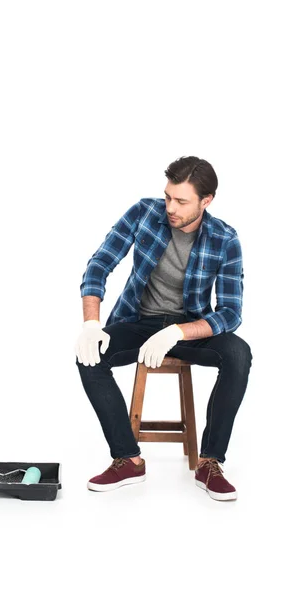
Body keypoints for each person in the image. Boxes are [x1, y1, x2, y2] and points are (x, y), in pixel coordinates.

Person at [75, 156, 253, 501]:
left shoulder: (224, 238)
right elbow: (99, 264)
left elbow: (231, 313)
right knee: (88, 357)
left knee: (238, 353)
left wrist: (178, 332)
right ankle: (127, 459)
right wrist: (92, 323)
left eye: (181, 201)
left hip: (188, 330)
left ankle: (210, 462)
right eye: (168, 196)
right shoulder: (144, 212)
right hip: (137, 322)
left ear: (206, 201)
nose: (170, 207)